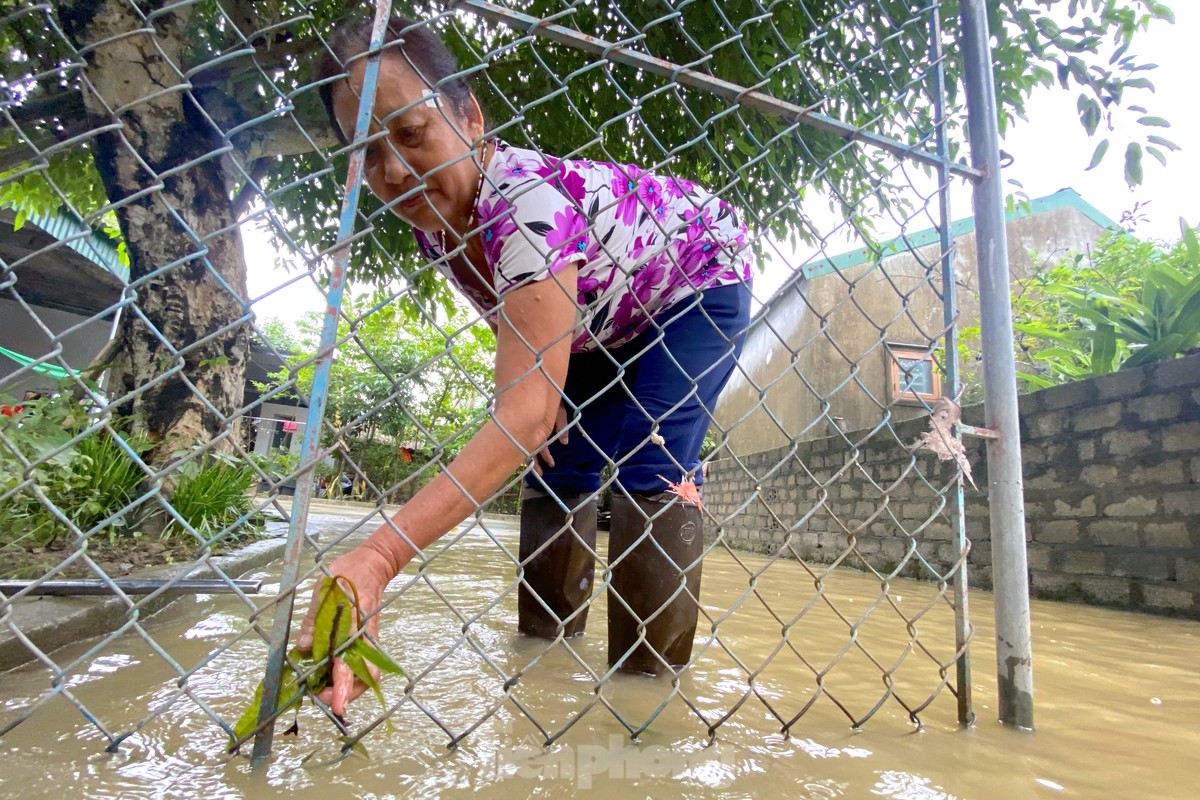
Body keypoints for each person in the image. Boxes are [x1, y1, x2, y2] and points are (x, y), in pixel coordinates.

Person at [297, 16, 752, 715]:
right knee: (558, 463)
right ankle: (543, 670)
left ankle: (645, 703)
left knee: (648, 464)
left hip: (695, 277)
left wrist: (378, 557)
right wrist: (544, 409)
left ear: (469, 117)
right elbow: (526, 361)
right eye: (365, 152)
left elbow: (523, 411)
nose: (392, 171)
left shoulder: (523, 201)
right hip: (600, 316)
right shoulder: (436, 226)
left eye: (412, 133)